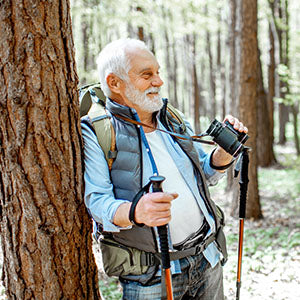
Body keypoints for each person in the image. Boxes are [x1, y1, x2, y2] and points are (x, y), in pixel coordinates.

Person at [81, 38, 248, 300]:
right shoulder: (98, 130)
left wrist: (224, 153)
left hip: (206, 257)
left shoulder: (172, 117)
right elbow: (97, 202)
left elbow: (203, 175)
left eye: (157, 72)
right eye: (146, 75)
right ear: (114, 83)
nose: (158, 81)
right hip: (152, 275)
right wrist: (136, 211)